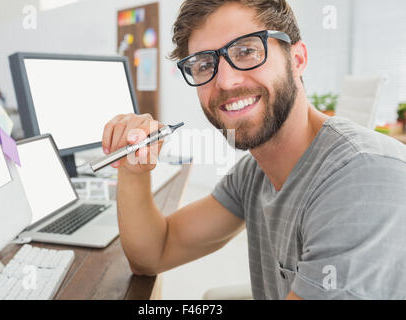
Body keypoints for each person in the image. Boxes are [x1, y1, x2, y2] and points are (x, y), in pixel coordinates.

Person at [102, 0, 406, 299]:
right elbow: (155, 252)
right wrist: (133, 168)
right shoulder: (254, 173)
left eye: (246, 51)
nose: (226, 81)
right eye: (205, 64)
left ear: (297, 59)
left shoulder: (364, 178)